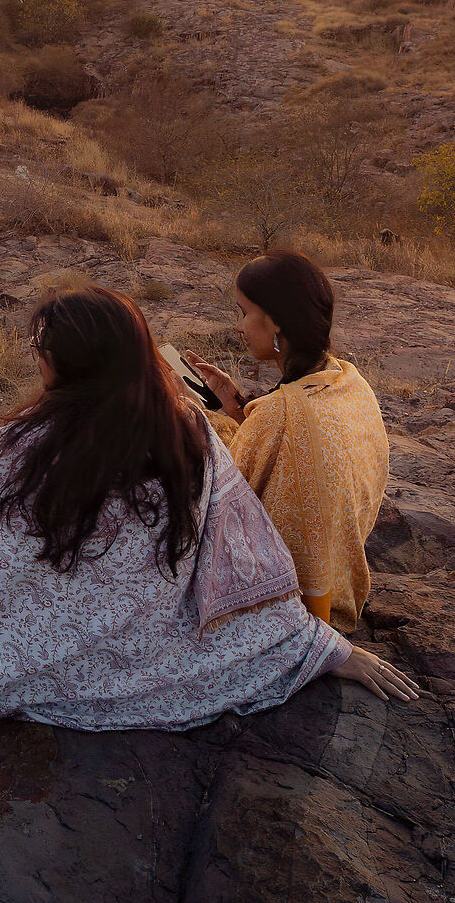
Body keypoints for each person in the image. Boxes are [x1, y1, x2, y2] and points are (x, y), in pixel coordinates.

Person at [0, 287, 416, 730]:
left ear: (67, 363)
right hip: (145, 645)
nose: (36, 356)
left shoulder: (27, 453)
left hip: (35, 651)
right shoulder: (190, 434)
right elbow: (243, 554)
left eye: (40, 347)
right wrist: (320, 646)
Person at [187, 252, 390, 634]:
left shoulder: (278, 415)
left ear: (275, 321)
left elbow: (216, 501)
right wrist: (237, 408)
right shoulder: (347, 380)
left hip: (289, 609)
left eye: (243, 312)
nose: (240, 326)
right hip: (340, 585)